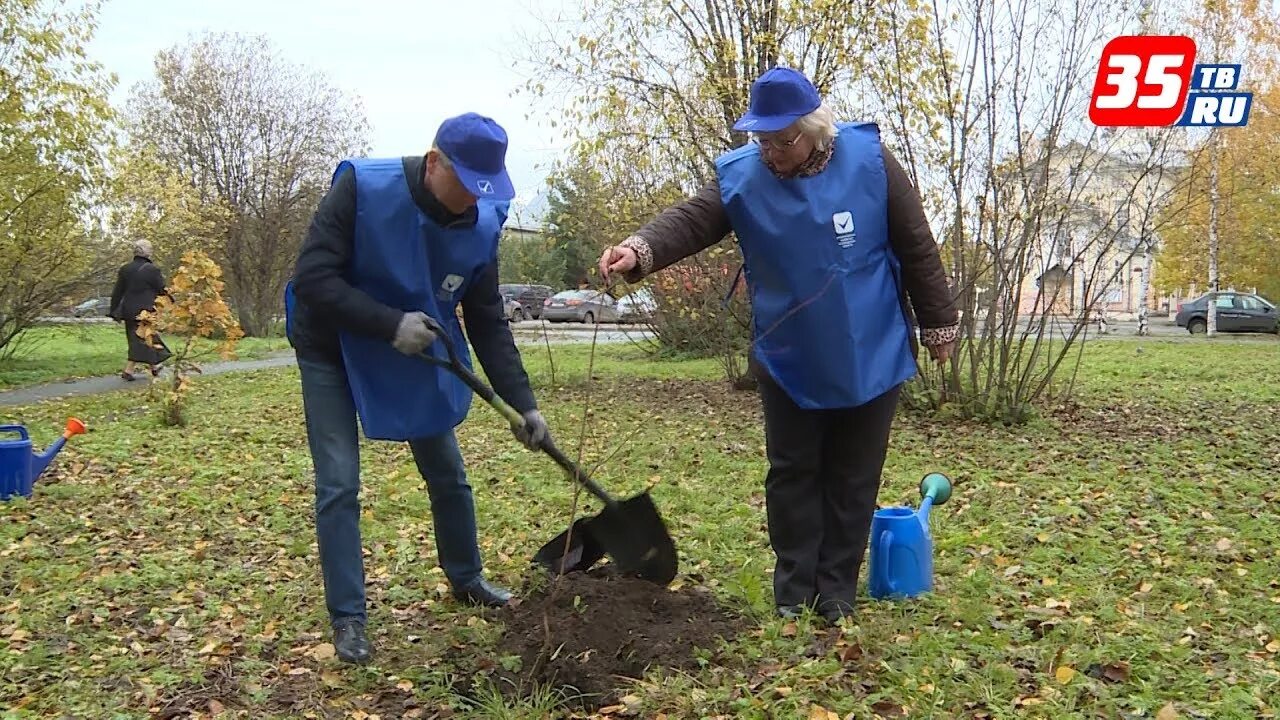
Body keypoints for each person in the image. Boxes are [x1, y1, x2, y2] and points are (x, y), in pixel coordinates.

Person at [598, 67, 959, 624]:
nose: (772, 153)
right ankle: (793, 589)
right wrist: (639, 249)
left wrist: (939, 323)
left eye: (783, 140)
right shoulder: (744, 177)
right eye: (762, 141)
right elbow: (692, 220)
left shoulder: (870, 162)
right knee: (792, 473)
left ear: (816, 130)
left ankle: (836, 590)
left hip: (870, 348)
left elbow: (917, 243)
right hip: (788, 354)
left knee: (853, 475)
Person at [284, 112, 553, 664]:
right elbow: (312, 279)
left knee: (448, 472)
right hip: (332, 346)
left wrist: (523, 404)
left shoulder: (482, 222)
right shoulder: (362, 187)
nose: (473, 202)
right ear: (434, 164)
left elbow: (485, 319)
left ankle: (466, 578)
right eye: (466, 187)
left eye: (486, 190)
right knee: (339, 482)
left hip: (418, 345)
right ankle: (349, 617)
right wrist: (388, 324)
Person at [108, 239, 172, 381]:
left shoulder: (125, 269)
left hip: (128, 310)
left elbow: (118, 291)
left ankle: (153, 368)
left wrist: (113, 311)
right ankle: (128, 371)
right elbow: (161, 289)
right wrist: (172, 301)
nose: (152, 251)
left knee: (142, 338)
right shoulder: (152, 270)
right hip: (146, 311)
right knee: (143, 338)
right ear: (146, 252)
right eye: (150, 248)